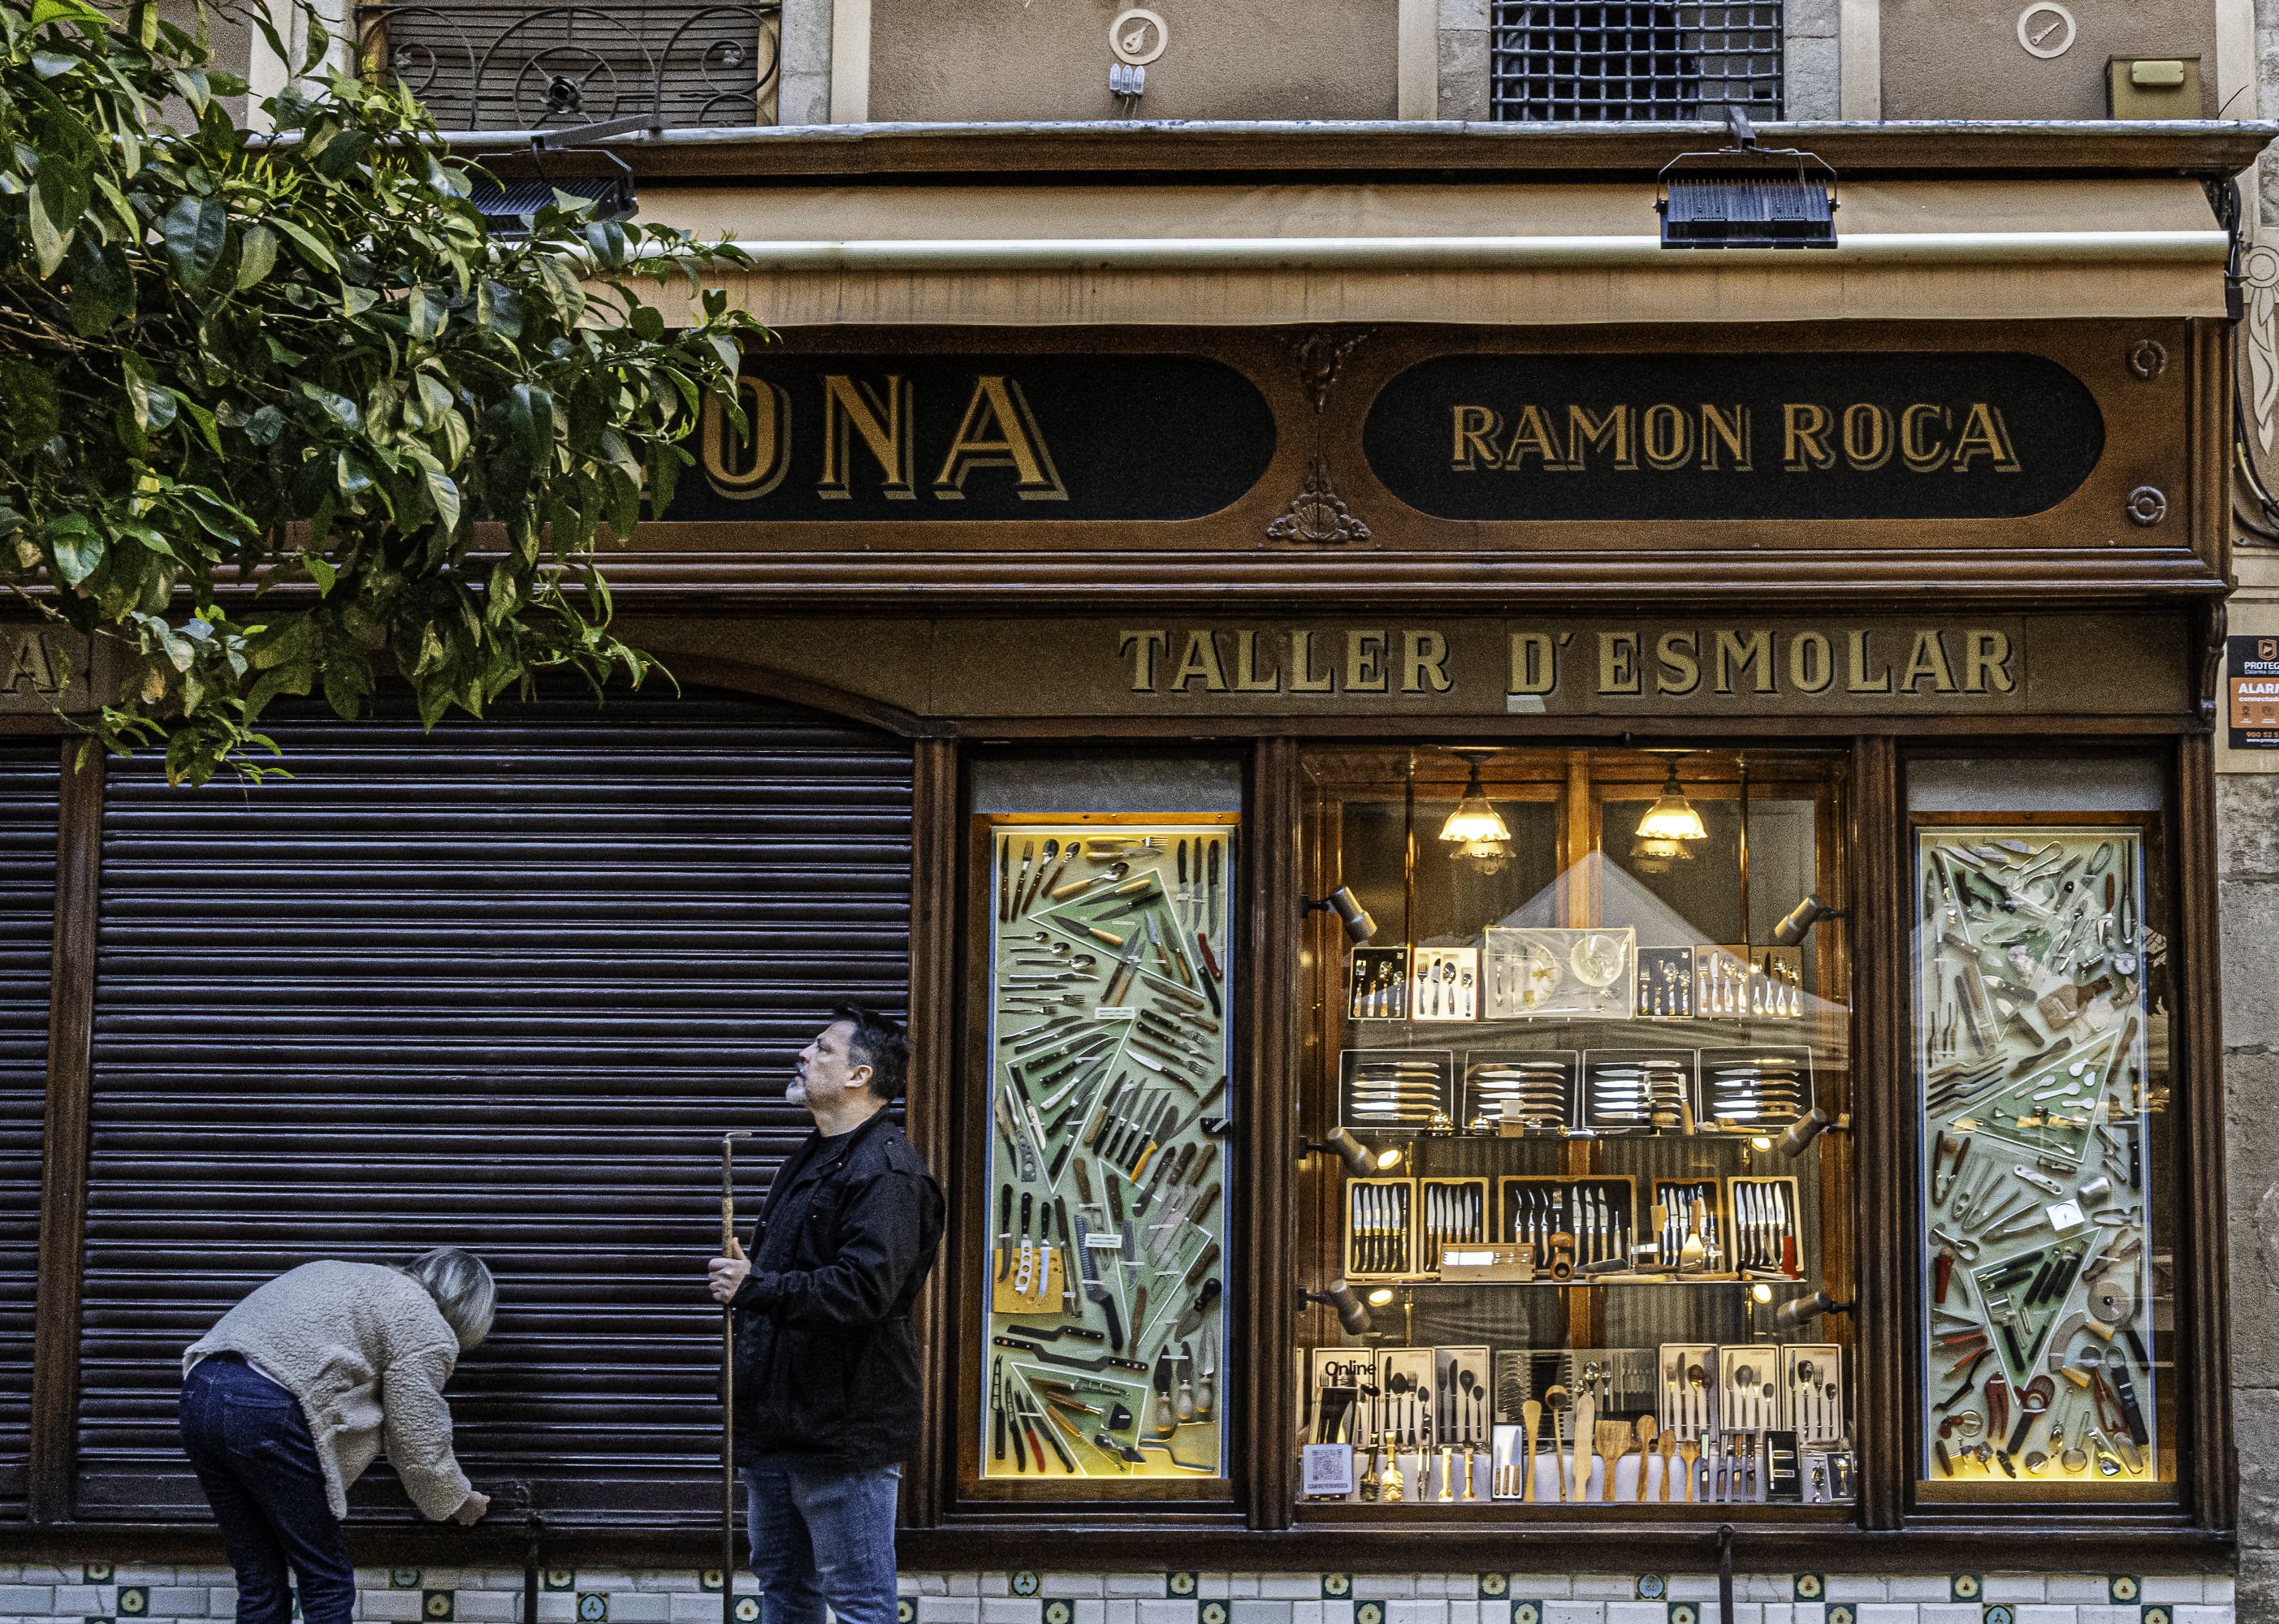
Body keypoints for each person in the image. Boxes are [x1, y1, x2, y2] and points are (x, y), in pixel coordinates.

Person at [707, 1006, 945, 1624]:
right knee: (786, 1591)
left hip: (843, 1432)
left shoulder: (885, 1171)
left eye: (822, 1049)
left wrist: (757, 1285)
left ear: (859, 1075)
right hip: (780, 1425)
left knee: (860, 1604)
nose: (805, 1054)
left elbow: (865, 1289)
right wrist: (753, 1285)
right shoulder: (816, 1155)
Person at [180, 1249, 498, 1624]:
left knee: (259, 1579)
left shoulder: (354, 1277)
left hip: (200, 1391)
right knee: (327, 1582)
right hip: (266, 1406)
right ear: (468, 1311)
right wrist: (457, 1500)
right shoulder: (423, 1320)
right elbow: (417, 1436)